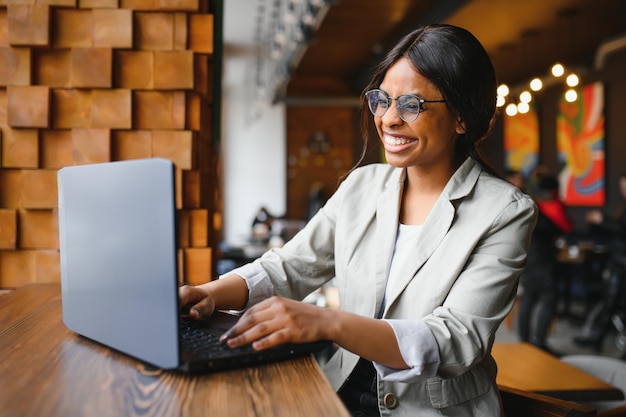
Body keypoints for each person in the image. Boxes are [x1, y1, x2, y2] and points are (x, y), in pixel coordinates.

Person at [179, 24, 537, 416]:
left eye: (412, 105)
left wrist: (329, 323)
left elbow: (454, 341)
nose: (389, 119)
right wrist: (211, 292)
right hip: (339, 394)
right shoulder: (362, 186)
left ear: (462, 118)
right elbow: (292, 265)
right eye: (382, 100)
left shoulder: (505, 212)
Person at [517, 168, 574, 356]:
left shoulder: (527, 203)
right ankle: (539, 342)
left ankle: (524, 341)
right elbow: (563, 228)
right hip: (541, 259)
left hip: (527, 256)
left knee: (529, 298)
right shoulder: (548, 207)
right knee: (549, 299)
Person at [574, 174, 626, 352]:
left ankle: (596, 338)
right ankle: (596, 339)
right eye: (622, 187)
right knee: (609, 302)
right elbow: (617, 232)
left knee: (610, 302)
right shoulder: (623, 206)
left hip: (622, 265)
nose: (623, 191)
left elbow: (622, 229)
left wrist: (603, 220)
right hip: (617, 262)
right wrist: (596, 223)